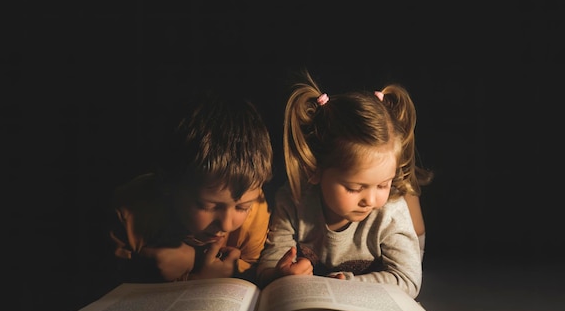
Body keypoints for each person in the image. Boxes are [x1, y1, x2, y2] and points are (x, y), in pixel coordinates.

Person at [256, 70, 432, 298]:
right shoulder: (292, 201)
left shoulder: (388, 208)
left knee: (402, 193)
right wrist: (279, 275)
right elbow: (268, 264)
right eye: (355, 188)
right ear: (315, 170)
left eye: (381, 184)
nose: (369, 200)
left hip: (403, 230)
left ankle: (399, 186)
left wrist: (348, 282)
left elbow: (408, 279)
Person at [109, 88, 273, 283]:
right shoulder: (129, 214)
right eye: (208, 206)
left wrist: (196, 262)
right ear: (168, 185)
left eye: (241, 207)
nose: (226, 225)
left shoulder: (257, 210)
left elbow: (251, 266)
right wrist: (147, 273)